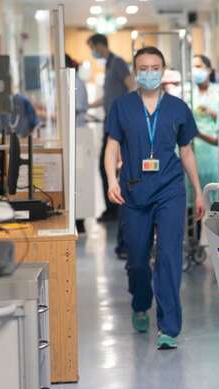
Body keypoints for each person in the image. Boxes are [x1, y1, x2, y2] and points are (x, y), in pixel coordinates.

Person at [104, 46, 205, 349]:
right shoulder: (122, 106)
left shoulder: (177, 108)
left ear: (163, 70)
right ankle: (140, 302)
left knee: (169, 257)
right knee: (136, 259)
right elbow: (112, 146)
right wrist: (111, 180)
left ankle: (169, 328)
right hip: (134, 190)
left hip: (170, 189)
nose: (149, 73)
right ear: (135, 71)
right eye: (143, 68)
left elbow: (186, 151)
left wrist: (198, 191)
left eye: (155, 67)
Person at [87, 33, 136, 256]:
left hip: (119, 122)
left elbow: (131, 86)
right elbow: (108, 95)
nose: (92, 52)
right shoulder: (108, 66)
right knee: (104, 165)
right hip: (110, 120)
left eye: (92, 48)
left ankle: (116, 210)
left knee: (112, 166)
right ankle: (112, 209)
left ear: (99, 45)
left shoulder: (117, 63)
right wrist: (86, 106)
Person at [66, 54, 103, 233]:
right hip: (74, 134)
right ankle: (76, 216)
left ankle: (79, 219)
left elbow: (78, 106)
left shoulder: (76, 82)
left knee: (78, 179)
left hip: (78, 135)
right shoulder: (72, 81)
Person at [189, 55, 219, 205]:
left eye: (199, 66)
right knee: (192, 195)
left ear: (209, 70)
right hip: (191, 149)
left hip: (212, 150)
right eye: (193, 67)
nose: (195, 70)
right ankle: (193, 228)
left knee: (215, 197)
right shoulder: (188, 92)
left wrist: (211, 112)